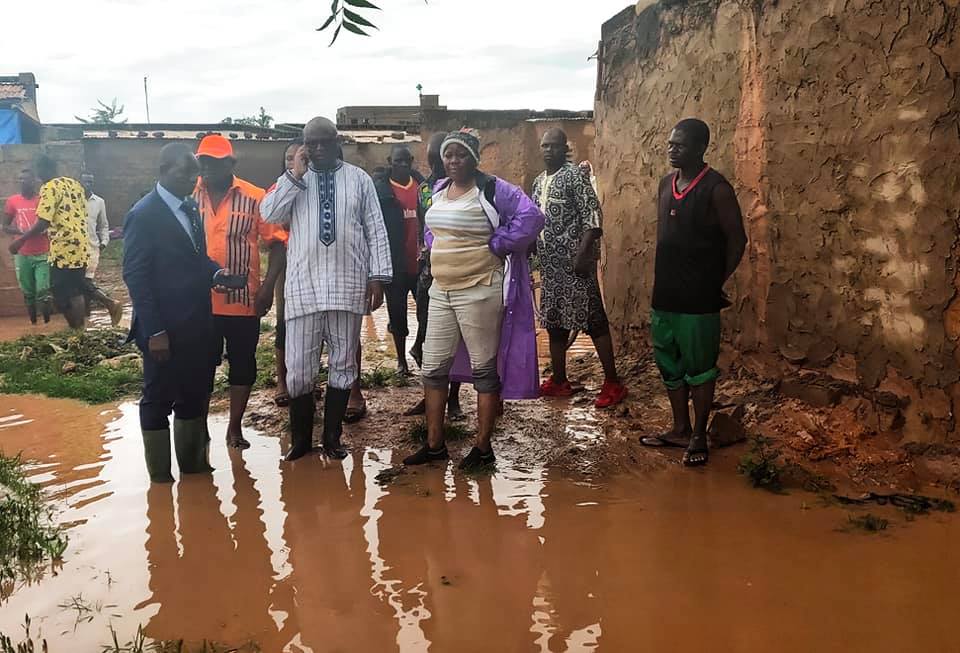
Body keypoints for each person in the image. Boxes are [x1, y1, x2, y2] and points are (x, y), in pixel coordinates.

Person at [403, 129, 544, 470]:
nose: (453, 161)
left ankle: (482, 447)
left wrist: (498, 243)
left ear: (474, 158)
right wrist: (435, 251)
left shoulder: (493, 189)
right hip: (441, 291)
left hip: (479, 291)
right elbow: (432, 228)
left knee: (484, 370)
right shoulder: (438, 190)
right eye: (448, 155)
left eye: (461, 154)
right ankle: (435, 445)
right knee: (434, 370)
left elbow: (532, 218)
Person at [261, 117, 392, 462]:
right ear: (304, 145)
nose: (318, 149)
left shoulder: (359, 179)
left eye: (324, 142)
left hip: (348, 285)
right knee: (299, 367)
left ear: (337, 142)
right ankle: (302, 441)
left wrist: (377, 276)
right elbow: (270, 214)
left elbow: (376, 229)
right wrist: (295, 173)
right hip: (303, 287)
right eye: (311, 143)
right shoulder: (293, 180)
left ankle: (332, 438)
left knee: (343, 362)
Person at [122, 143, 236, 483]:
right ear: (163, 170)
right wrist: (155, 331)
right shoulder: (144, 214)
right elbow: (136, 276)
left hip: (197, 324)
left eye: (194, 173)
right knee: (157, 399)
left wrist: (217, 275)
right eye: (184, 172)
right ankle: (160, 480)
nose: (192, 178)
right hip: (164, 331)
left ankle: (194, 471)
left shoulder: (189, 209)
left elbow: (196, 260)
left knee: (195, 394)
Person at [639, 118, 747, 467]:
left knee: (699, 368)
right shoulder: (665, 184)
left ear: (700, 148)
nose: (672, 149)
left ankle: (699, 434)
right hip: (666, 294)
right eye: (670, 143)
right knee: (669, 364)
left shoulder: (717, 188)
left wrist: (716, 279)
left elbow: (737, 240)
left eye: (680, 145)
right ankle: (679, 428)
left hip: (699, 298)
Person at [193, 134, 286, 450]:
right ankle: (201, 427)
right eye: (203, 161)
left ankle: (234, 428)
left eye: (215, 162)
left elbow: (277, 244)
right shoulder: (190, 195)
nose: (208, 168)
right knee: (201, 365)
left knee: (243, 364)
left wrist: (267, 289)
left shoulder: (254, 197)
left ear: (230, 163)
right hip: (199, 302)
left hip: (243, 300)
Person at [534, 128, 627, 408]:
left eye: (554, 146)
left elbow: (593, 216)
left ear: (565, 148)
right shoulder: (539, 182)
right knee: (554, 322)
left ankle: (612, 383)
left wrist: (583, 254)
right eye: (544, 145)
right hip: (550, 267)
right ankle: (559, 380)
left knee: (594, 320)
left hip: (576, 265)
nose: (548, 150)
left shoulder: (575, 175)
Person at [9, 156, 123, 329]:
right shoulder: (74, 184)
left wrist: (20, 241)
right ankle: (105, 307)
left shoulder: (49, 187)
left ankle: (79, 326)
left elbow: (43, 222)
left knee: (60, 291)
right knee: (77, 284)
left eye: (38, 172)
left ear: (42, 170)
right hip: (81, 243)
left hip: (63, 246)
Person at [404, 132, 464, 420]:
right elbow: (420, 226)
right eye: (431, 155)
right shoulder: (425, 188)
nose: (433, 160)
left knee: (458, 339)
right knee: (428, 336)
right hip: (429, 273)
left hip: (459, 272)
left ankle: (453, 400)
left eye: (436, 154)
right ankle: (429, 397)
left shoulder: (466, 186)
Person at [376, 144, 428, 376]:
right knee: (397, 314)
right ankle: (401, 362)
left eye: (407, 160)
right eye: (398, 161)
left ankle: (418, 347)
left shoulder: (422, 187)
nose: (403, 165)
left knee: (427, 311)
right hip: (395, 264)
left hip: (420, 265)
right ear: (390, 161)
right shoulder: (382, 192)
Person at [3, 168, 51, 324]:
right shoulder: (13, 201)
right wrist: (19, 231)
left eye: (26, 179)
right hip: (23, 254)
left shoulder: (41, 200)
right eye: (20, 179)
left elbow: (46, 224)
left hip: (43, 252)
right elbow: (5, 226)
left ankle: (47, 325)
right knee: (28, 293)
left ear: (34, 182)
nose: (23, 182)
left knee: (43, 291)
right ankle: (34, 325)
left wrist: (25, 236)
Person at [82, 172, 110, 280]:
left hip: (92, 246)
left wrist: (104, 242)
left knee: (89, 279)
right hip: (75, 248)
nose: (87, 184)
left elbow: (103, 224)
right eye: (85, 182)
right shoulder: (73, 201)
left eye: (90, 182)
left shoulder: (99, 202)